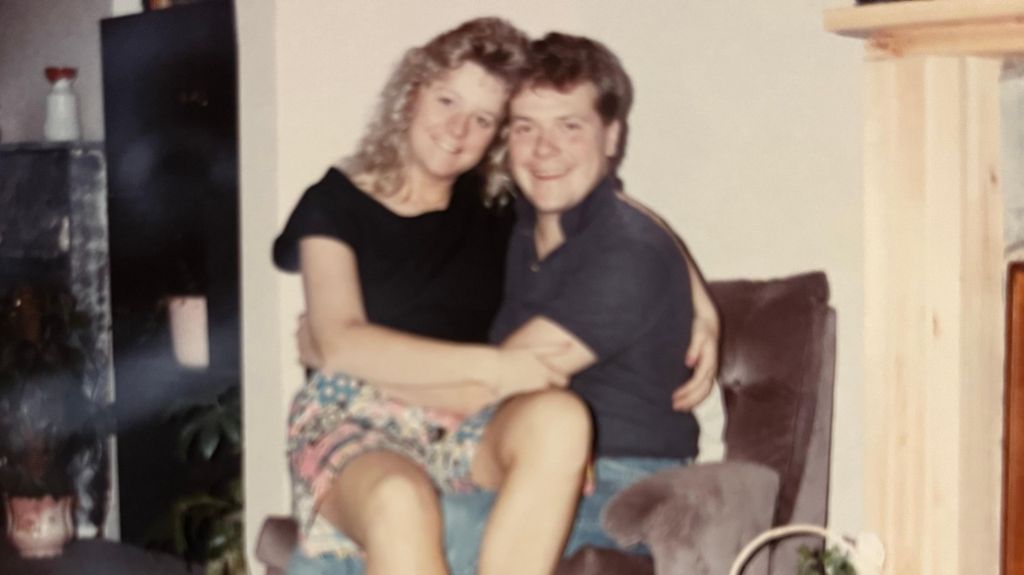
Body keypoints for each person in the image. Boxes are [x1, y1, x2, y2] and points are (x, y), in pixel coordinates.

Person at [277, 18, 720, 575]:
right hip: (386, 424)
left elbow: (494, 384)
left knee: (545, 426)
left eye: (484, 119)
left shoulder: (526, 214)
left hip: (519, 445)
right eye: (525, 128)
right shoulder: (357, 203)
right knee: (396, 505)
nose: (544, 150)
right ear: (412, 92)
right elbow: (357, 345)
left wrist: (690, 287)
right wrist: (340, 354)